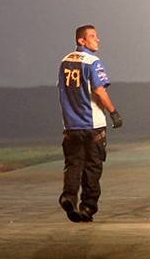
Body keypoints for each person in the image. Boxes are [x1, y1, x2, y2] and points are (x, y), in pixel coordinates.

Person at [57, 25, 122, 222]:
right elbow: (99, 91)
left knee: (73, 164)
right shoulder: (93, 62)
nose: (98, 39)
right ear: (81, 41)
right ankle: (87, 207)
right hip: (93, 125)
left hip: (71, 126)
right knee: (93, 167)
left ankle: (68, 196)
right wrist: (114, 112)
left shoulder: (64, 61)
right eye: (92, 36)